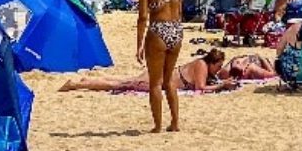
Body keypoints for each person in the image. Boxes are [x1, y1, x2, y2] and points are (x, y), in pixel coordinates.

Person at [137, 0, 184, 133]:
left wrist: (139, 44)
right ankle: (175, 122)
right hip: (176, 29)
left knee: (155, 82)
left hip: (158, 30)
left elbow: (142, 18)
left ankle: (157, 125)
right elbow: (180, 10)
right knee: (169, 79)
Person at [60, 50, 231, 94]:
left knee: (128, 80)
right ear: (212, 62)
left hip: (159, 74)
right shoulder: (201, 65)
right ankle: (75, 84)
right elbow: (200, 88)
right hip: (157, 79)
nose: (218, 70)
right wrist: (221, 86)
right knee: (120, 85)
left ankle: (89, 79)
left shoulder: (200, 64)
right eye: (218, 66)